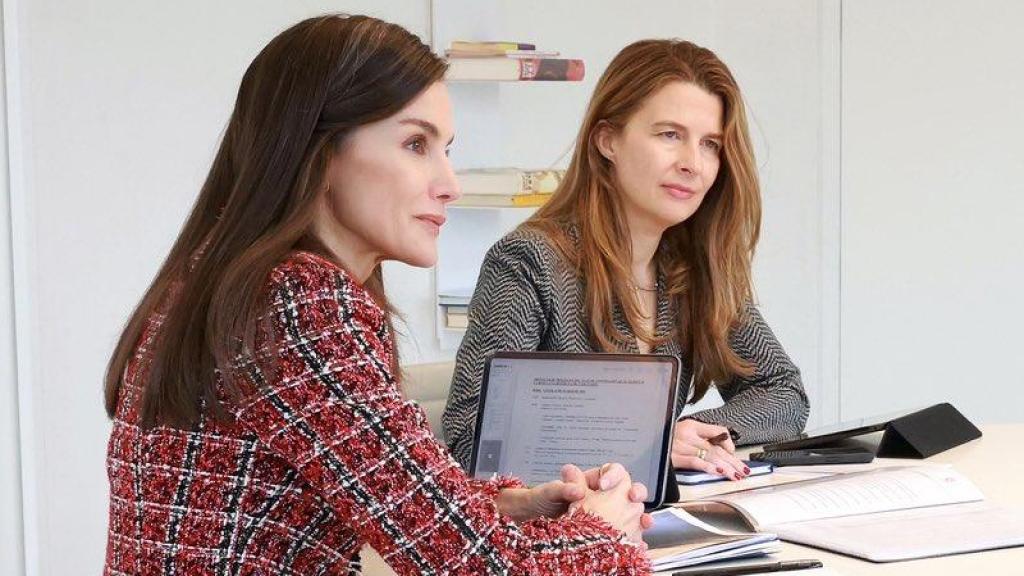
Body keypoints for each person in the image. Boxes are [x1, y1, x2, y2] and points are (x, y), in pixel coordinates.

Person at [102, 15, 651, 575]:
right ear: (318, 150)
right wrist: (605, 532)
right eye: (416, 144)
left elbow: (392, 497)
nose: (450, 183)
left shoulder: (223, 281)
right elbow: (478, 569)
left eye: (446, 149)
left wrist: (513, 506)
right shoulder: (300, 301)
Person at [444, 39, 809, 482]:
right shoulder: (528, 262)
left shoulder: (690, 266)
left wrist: (697, 431)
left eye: (711, 144)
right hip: (563, 535)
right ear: (607, 140)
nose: (693, 163)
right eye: (670, 135)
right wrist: (646, 445)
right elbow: (471, 441)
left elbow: (782, 392)